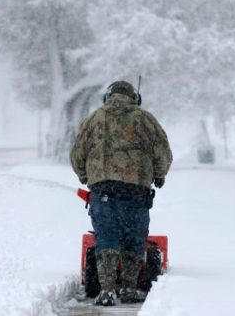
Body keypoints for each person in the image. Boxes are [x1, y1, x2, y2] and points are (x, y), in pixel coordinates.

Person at [70, 80, 173, 306]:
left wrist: (85, 177)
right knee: (134, 240)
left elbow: (78, 154)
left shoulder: (93, 118)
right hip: (136, 192)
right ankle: (129, 288)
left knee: (106, 238)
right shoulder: (145, 119)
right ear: (135, 99)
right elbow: (163, 152)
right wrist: (159, 175)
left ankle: (106, 291)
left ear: (107, 97)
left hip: (103, 191)